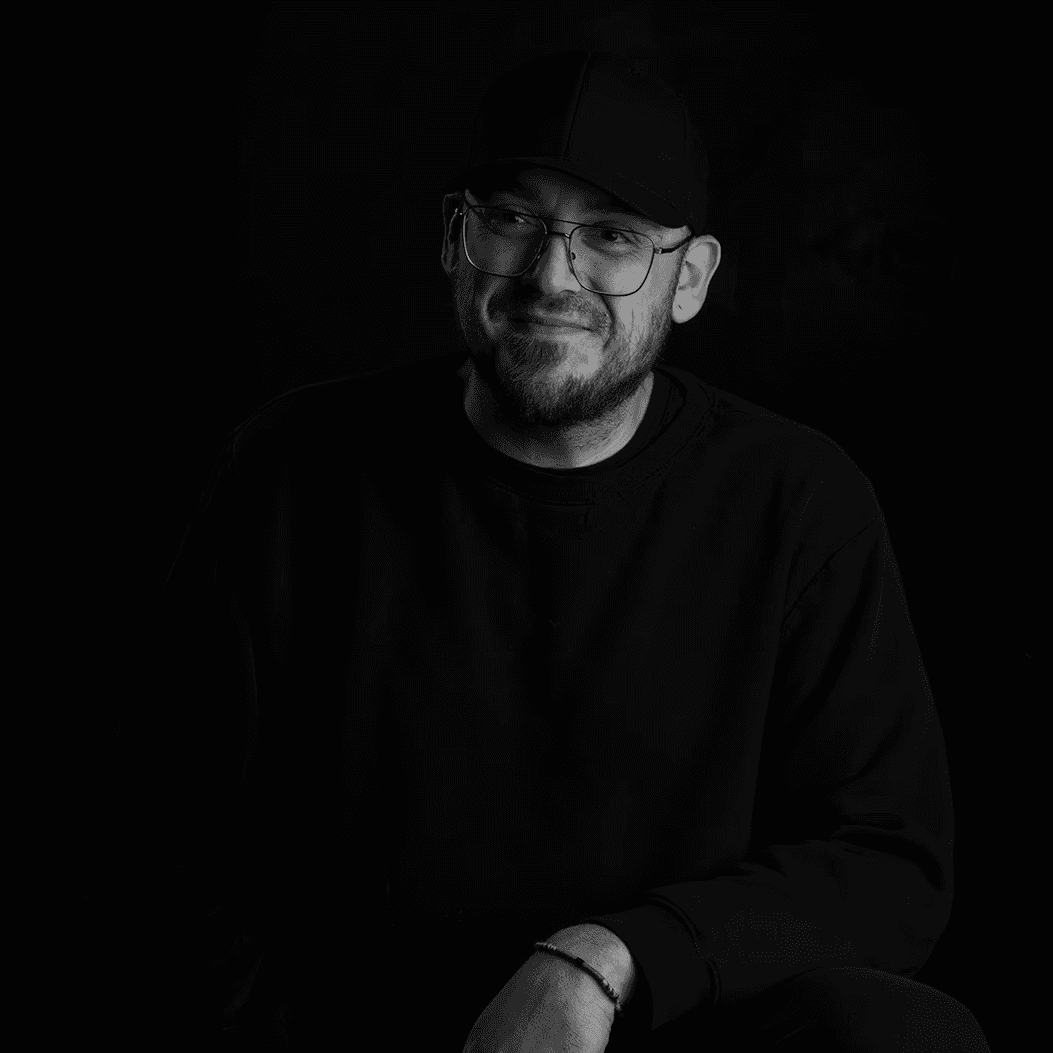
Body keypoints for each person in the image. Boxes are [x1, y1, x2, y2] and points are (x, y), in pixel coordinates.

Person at [149, 50, 990, 1050]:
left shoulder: (798, 503)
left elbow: (889, 865)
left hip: (671, 1031)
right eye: (514, 220)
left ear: (693, 279)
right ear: (455, 236)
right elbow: (173, 843)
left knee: (896, 1032)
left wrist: (609, 960)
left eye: (613, 236)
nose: (552, 276)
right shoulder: (290, 477)